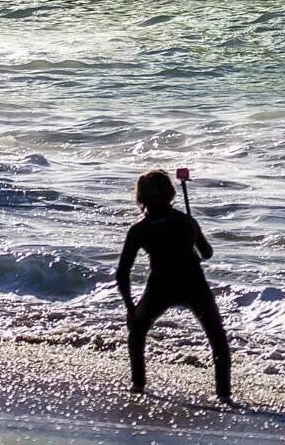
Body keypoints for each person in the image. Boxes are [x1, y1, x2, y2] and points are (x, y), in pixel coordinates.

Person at [118, 169, 233, 404]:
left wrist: (130, 307)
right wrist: (191, 243)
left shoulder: (140, 228)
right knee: (217, 339)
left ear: (141, 197)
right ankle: (223, 394)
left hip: (161, 284)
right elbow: (207, 253)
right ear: (171, 194)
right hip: (193, 282)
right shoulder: (186, 221)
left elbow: (122, 273)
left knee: (138, 330)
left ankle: (138, 384)